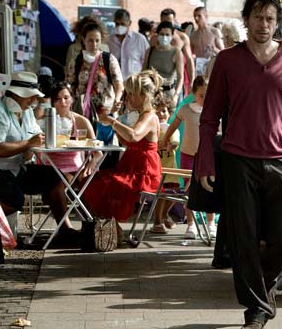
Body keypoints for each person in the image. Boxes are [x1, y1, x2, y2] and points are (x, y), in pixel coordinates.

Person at [196, 0, 282, 329]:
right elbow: (209, 118)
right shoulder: (227, 60)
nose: (264, 24)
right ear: (246, 20)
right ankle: (255, 311)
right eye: (257, 17)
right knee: (244, 239)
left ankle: (263, 290)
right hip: (239, 161)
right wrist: (206, 162)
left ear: (277, 22)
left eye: (270, 18)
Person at [83, 70, 163, 243]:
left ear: (142, 96)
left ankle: (115, 231)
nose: (128, 98)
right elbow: (129, 141)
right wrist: (115, 122)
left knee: (101, 185)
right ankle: (115, 230)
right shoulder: (141, 115)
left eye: (131, 94)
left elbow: (134, 136)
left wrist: (113, 121)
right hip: (133, 165)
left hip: (143, 171)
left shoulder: (149, 116)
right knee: (94, 183)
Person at [0, 72, 77, 237]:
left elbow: (36, 136)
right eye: (30, 97)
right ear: (16, 94)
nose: (34, 101)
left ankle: (65, 230)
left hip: (19, 168)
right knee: (15, 200)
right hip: (0, 171)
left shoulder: (26, 112)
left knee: (54, 177)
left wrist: (36, 143)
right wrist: (27, 144)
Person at [160, 76, 214, 239]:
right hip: (188, 155)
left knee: (210, 189)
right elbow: (172, 126)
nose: (205, 99)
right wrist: (164, 140)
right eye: (201, 95)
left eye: (208, 95)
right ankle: (191, 225)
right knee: (189, 191)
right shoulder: (185, 109)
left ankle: (211, 224)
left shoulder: (214, 110)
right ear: (194, 94)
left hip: (208, 157)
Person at [45, 81, 101, 178]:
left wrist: (91, 163)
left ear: (72, 99)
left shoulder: (81, 121)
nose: (63, 102)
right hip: (52, 168)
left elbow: (98, 152)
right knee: (65, 180)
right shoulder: (47, 121)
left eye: (66, 98)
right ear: (53, 102)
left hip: (76, 168)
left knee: (86, 179)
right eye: (58, 99)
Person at [150, 101, 181, 234]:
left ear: (170, 113)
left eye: (164, 111)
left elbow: (175, 141)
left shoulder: (172, 128)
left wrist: (170, 146)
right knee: (161, 195)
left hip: (171, 168)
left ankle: (164, 214)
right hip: (158, 169)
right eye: (158, 112)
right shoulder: (153, 129)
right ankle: (157, 222)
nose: (161, 114)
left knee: (176, 193)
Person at [143, 21, 184, 113]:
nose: (164, 37)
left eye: (167, 34)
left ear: (172, 35)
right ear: (157, 35)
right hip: (152, 92)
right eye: (162, 34)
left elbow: (180, 77)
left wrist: (176, 96)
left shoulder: (176, 52)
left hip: (168, 94)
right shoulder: (150, 51)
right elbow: (143, 72)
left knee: (167, 124)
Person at [155, 8, 194, 93]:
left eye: (169, 22)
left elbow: (189, 60)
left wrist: (191, 82)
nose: (166, 25)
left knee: (177, 105)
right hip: (156, 81)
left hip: (176, 80)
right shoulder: (155, 38)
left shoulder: (182, 37)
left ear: (174, 21)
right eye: (164, 22)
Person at [108, 8, 150, 80]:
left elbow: (147, 60)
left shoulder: (139, 39)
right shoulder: (110, 40)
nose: (119, 26)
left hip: (134, 82)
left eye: (122, 24)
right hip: (115, 81)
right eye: (117, 24)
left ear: (129, 23)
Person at [65, 16, 110, 82]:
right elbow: (68, 71)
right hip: (80, 85)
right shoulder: (73, 48)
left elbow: (109, 71)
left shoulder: (105, 48)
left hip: (100, 85)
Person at [189, 7, 224, 75]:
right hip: (198, 68)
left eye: (199, 16)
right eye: (194, 16)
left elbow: (223, 52)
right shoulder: (193, 35)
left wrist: (214, 49)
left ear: (206, 16)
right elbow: (190, 53)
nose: (196, 18)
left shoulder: (214, 31)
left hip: (213, 65)